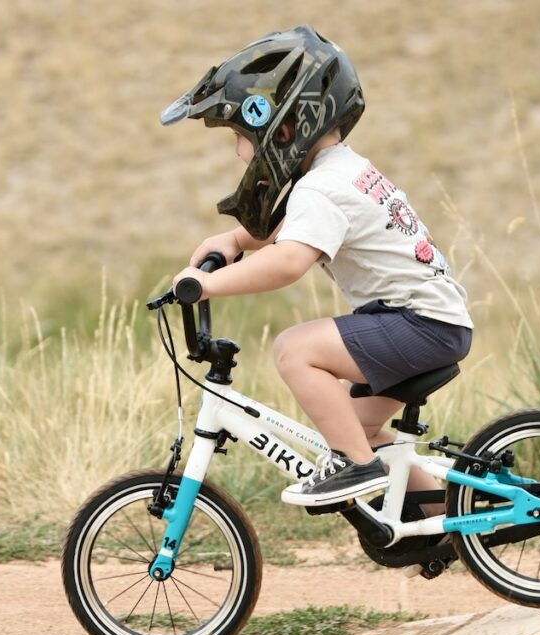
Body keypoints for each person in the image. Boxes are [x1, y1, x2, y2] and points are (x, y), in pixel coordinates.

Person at [162, 25, 473, 508]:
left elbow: (288, 260)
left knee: (294, 350)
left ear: (283, 131)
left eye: (242, 137)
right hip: (428, 321)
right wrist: (233, 239)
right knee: (360, 428)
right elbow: (289, 226)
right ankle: (439, 525)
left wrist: (207, 285)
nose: (241, 153)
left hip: (419, 326)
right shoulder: (339, 171)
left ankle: (354, 466)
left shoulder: (320, 188)